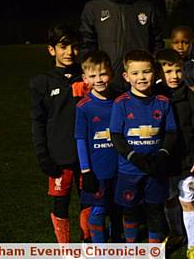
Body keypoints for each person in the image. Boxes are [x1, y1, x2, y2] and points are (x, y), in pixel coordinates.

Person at [109, 50, 178, 243]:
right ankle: (132, 248)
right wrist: (133, 157)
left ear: (154, 73)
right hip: (129, 170)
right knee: (130, 211)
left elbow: (171, 132)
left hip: (156, 169)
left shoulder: (163, 102)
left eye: (146, 72)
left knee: (155, 210)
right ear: (126, 76)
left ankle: (153, 252)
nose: (141, 77)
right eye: (135, 73)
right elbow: (115, 135)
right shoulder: (120, 103)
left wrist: (162, 154)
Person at [29, 23, 90, 243]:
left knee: (89, 201)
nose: (69, 53)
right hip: (59, 157)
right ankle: (64, 248)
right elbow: (38, 122)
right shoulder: (41, 82)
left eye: (74, 47)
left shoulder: (87, 78)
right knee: (61, 203)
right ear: (51, 50)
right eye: (63, 47)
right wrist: (43, 156)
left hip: (87, 157)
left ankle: (88, 244)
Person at [155, 49, 194, 259]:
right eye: (168, 71)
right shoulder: (154, 96)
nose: (174, 76)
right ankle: (176, 233)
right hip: (163, 162)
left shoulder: (192, 98)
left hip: (187, 162)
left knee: (187, 201)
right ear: (160, 73)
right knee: (169, 200)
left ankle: (193, 246)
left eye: (178, 70)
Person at [79, 0, 164, 93]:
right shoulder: (93, 7)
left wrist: (150, 70)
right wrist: (94, 75)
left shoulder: (146, 7)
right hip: (108, 83)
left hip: (140, 82)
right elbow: (87, 45)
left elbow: (157, 42)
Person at [74, 50, 122, 243]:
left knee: (119, 209)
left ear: (110, 73)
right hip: (98, 171)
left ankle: (117, 245)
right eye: (93, 76)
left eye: (102, 74)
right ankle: (100, 249)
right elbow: (80, 139)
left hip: (120, 168)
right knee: (98, 210)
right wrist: (86, 171)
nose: (99, 79)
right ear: (85, 78)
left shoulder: (121, 100)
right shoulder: (83, 107)